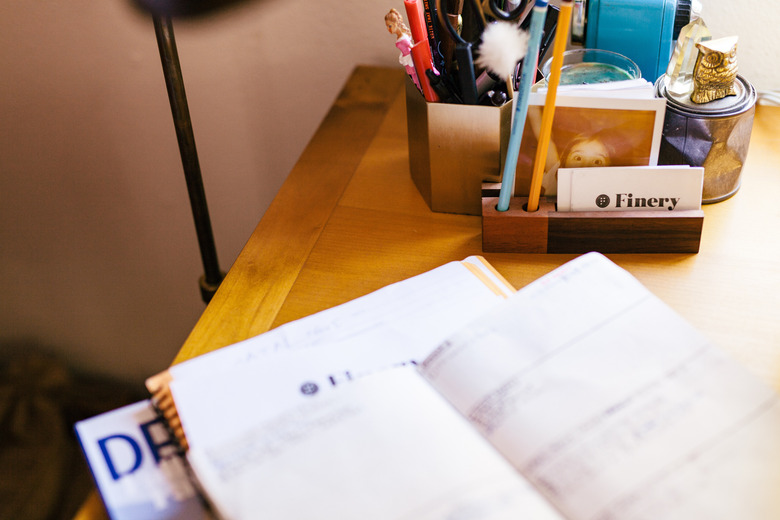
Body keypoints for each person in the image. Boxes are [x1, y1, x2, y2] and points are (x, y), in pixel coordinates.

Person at [385, 8, 421, 91]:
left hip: (410, 60)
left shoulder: (403, 39)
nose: (388, 29)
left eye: (389, 26)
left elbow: (413, 48)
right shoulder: (400, 36)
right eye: (387, 27)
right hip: (406, 59)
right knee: (413, 79)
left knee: (416, 78)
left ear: (396, 23)